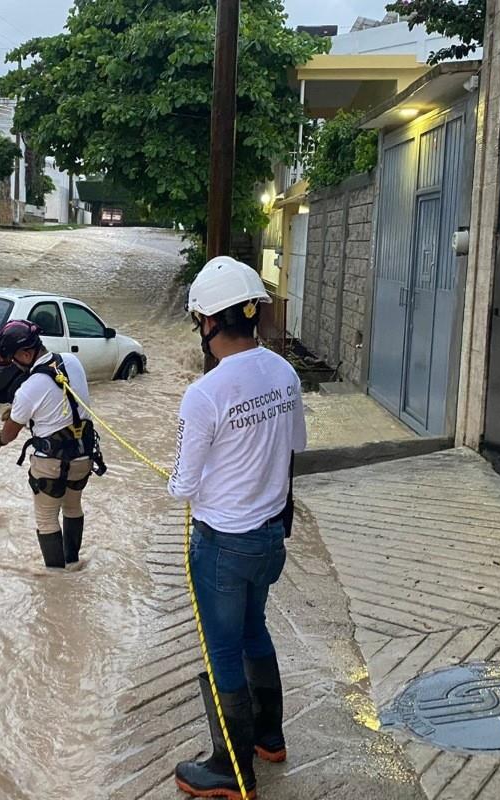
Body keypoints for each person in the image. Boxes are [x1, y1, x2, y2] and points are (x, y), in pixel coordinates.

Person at [168, 256, 307, 799]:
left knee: (222, 648)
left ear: (208, 322)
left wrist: (182, 478)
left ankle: (232, 765)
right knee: (254, 630)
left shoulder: (204, 394)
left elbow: (181, 485)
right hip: (271, 539)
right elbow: (294, 447)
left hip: (222, 547)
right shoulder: (285, 372)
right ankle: (270, 737)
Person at [0, 319, 106, 570]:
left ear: (27, 353)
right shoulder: (72, 362)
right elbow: (62, 403)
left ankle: (56, 578)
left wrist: (1, 436)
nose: (13, 363)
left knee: (46, 517)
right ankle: (73, 561)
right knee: (73, 506)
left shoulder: (28, 389)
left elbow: (9, 435)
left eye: (13, 357)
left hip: (50, 464)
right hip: (84, 457)